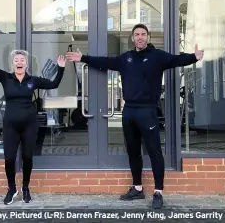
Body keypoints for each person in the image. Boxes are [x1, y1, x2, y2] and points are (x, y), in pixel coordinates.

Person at [66, 24, 204, 209]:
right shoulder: (126, 58)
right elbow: (105, 62)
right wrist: (83, 58)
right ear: (132, 38)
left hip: (148, 111)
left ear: (148, 37)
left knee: (154, 151)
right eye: (137, 34)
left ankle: (158, 192)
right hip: (129, 111)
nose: (140, 37)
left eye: (143, 34)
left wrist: (194, 57)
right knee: (133, 152)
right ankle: (137, 189)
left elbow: (177, 60)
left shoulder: (158, 56)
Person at [0, 34, 66, 204]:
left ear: (27, 63)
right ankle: (12, 189)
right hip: (11, 125)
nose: (19, 62)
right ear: (13, 63)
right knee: (9, 158)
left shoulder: (33, 81)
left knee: (27, 157)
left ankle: (26, 187)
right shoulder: (6, 78)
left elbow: (54, 84)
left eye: (22, 60)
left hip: (29, 125)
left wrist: (61, 68)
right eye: (16, 59)